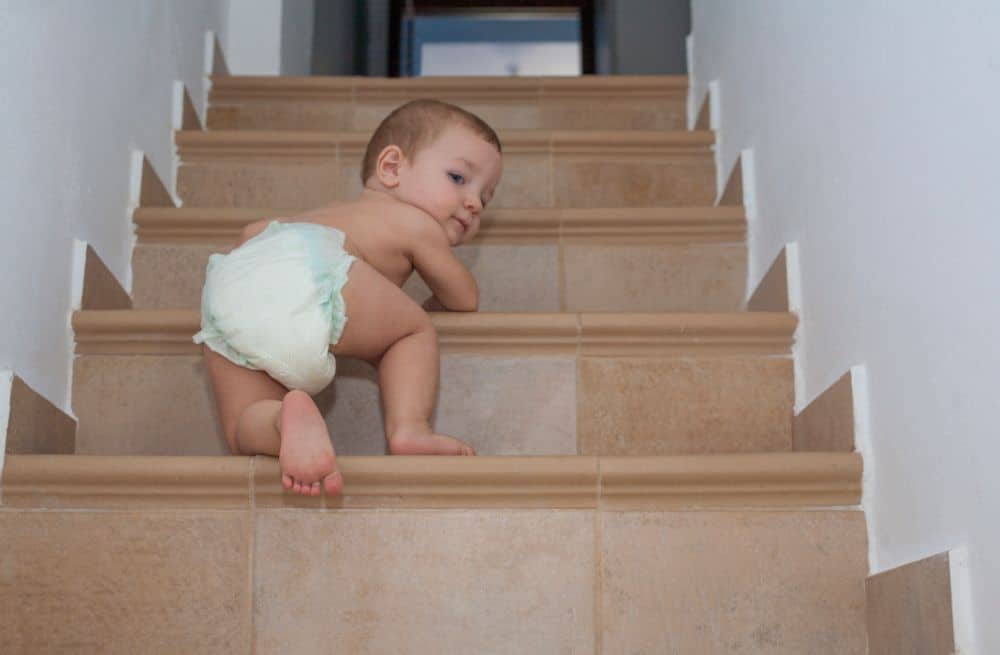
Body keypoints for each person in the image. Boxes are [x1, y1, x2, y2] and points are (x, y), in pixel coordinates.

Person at [194, 99, 503, 498]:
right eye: (459, 178)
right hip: (316, 270)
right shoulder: (415, 223)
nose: (474, 202)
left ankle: (280, 421)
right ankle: (410, 429)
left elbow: (253, 236)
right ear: (391, 168)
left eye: (486, 198)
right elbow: (463, 296)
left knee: (241, 426)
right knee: (410, 332)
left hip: (236, 281)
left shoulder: (325, 216)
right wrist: (423, 310)